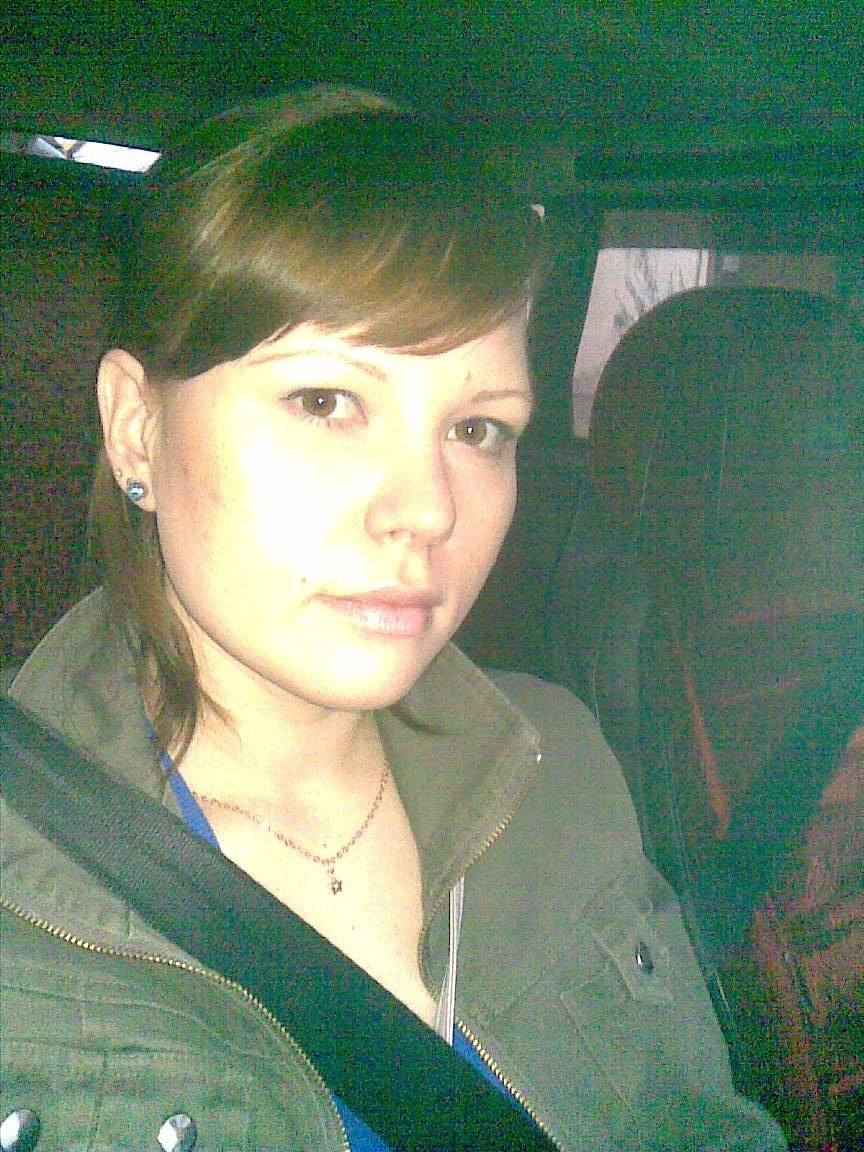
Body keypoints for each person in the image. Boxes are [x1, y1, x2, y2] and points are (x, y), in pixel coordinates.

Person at [0, 86, 787, 1151]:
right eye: (326, 402)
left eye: (477, 428)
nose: (429, 509)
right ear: (137, 429)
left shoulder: (560, 766)